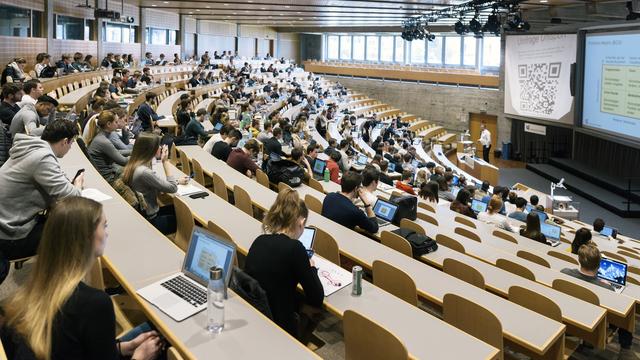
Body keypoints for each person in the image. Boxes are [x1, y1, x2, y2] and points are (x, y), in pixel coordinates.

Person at [0, 197, 163, 359]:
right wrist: (140, 356)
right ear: (87, 237)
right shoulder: (94, 303)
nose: (106, 233)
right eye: (104, 226)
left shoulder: (31, 291)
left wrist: (122, 348)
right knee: (159, 335)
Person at [0, 120, 83, 263]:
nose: (70, 148)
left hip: (6, 224)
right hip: (11, 237)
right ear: (64, 141)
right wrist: (78, 185)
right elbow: (73, 196)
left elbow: (57, 178)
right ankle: (58, 282)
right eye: (71, 144)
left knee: (60, 215)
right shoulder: (42, 158)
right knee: (77, 228)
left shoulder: (33, 148)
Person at [244, 188, 324, 338]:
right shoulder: (295, 248)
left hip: (256, 314)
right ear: (301, 222)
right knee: (316, 310)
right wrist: (311, 268)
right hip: (280, 325)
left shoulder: (259, 241)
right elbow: (317, 297)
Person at [561, 244, 634, 356]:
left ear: (580, 260)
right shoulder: (606, 288)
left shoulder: (564, 272)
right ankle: (626, 350)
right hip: (591, 325)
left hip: (566, 317)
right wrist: (605, 285)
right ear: (599, 265)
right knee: (627, 312)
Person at [123, 134, 189, 234]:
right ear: (151, 149)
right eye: (158, 145)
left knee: (178, 210)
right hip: (151, 220)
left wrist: (177, 181)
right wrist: (165, 161)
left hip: (144, 214)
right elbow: (172, 188)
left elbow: (156, 184)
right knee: (189, 220)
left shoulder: (134, 164)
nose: (161, 147)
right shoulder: (144, 172)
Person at [87, 111, 129, 183]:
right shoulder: (103, 141)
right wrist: (137, 155)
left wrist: (133, 151)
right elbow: (123, 161)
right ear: (109, 124)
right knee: (136, 172)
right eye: (116, 122)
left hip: (109, 173)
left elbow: (116, 152)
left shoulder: (103, 135)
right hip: (109, 179)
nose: (118, 123)